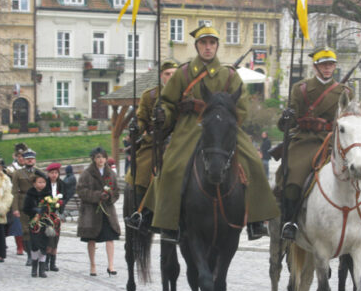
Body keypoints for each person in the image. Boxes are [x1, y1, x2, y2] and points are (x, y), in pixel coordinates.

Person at [144, 24, 278, 242]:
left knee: (253, 161)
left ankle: (256, 220)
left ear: (217, 46)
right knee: (171, 167)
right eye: (204, 43)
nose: (208, 47)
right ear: (197, 46)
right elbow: (168, 103)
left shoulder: (229, 75)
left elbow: (241, 108)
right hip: (190, 128)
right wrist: (163, 113)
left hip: (223, 129)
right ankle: (167, 222)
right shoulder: (183, 73)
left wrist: (226, 118)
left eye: (212, 43)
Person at [277, 46, 359, 240]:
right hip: (307, 140)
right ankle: (290, 221)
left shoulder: (346, 92)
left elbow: (351, 120)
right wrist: (287, 117)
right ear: (315, 67)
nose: (328, 68)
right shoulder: (301, 89)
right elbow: (287, 124)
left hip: (334, 142)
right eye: (324, 65)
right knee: (294, 178)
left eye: (331, 64)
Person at [124, 60, 178, 232]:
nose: (170, 77)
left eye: (173, 74)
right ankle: (142, 214)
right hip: (156, 143)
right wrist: (136, 126)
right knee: (141, 170)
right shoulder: (151, 95)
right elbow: (142, 119)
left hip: (180, 142)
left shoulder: (187, 94)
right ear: (161, 76)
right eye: (167, 74)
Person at [77, 147, 120, 276]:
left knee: (110, 238)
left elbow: (116, 191)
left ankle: (111, 265)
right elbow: (81, 191)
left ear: (106, 159)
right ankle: (93, 265)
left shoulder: (111, 173)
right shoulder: (87, 173)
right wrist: (97, 195)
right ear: (94, 159)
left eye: (102, 157)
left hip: (107, 211)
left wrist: (109, 196)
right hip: (91, 212)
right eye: (98, 157)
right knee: (91, 239)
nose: (100, 160)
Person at [11, 149, 41, 265]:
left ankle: (37, 253)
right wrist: (15, 208)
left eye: (32, 159)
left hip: (36, 203)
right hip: (23, 203)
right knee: (25, 231)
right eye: (28, 159)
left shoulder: (39, 172)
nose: (30, 161)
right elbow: (14, 191)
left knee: (37, 229)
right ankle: (29, 255)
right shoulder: (18, 173)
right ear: (24, 160)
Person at [22, 172, 51, 278]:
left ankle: (42, 268)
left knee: (44, 243)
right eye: (39, 182)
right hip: (34, 222)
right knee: (35, 244)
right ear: (34, 183)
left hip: (45, 222)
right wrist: (35, 211)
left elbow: (51, 207)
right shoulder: (30, 194)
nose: (42, 184)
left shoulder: (48, 193)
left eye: (43, 182)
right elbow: (26, 209)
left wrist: (48, 210)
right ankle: (34, 267)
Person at [45, 162, 65, 271]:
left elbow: (64, 198)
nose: (54, 175)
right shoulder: (46, 184)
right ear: (48, 174)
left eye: (56, 173)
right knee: (49, 238)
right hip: (48, 215)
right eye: (52, 173)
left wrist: (61, 205)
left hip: (57, 215)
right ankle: (46, 262)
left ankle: (53, 262)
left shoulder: (61, 184)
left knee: (56, 238)